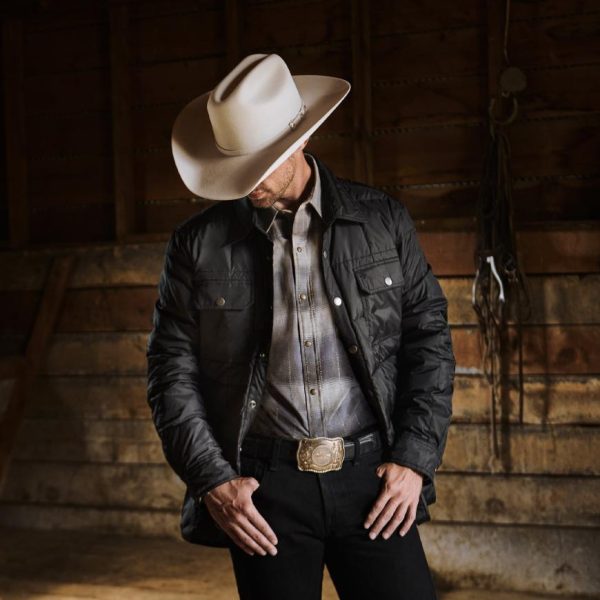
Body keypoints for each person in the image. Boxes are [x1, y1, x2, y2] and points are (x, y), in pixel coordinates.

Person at [146, 53, 456, 600]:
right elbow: (171, 374)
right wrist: (213, 479)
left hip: (373, 480)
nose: (245, 183)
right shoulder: (196, 245)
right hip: (265, 489)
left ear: (302, 139)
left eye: (259, 163)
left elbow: (429, 341)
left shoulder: (382, 221)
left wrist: (413, 459)